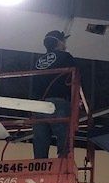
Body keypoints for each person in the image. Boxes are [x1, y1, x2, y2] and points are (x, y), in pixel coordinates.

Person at [32, 30, 77, 159]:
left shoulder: (38, 61)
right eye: (64, 41)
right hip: (58, 103)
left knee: (40, 139)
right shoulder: (66, 57)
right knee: (64, 137)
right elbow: (75, 78)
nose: (65, 44)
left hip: (38, 105)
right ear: (59, 42)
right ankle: (63, 164)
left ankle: (39, 164)